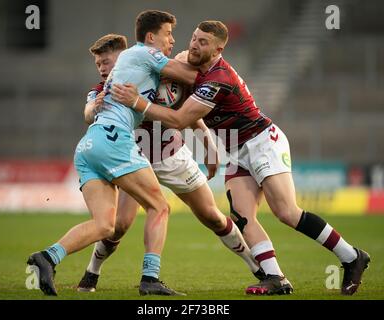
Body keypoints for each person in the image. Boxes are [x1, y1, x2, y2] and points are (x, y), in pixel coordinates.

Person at [112, 20, 371, 296]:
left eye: (203, 42)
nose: (194, 45)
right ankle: (275, 278)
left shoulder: (218, 80)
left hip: (261, 142)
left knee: (286, 212)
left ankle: (352, 256)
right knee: (243, 217)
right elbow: (175, 69)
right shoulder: (188, 60)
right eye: (194, 38)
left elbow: (178, 120)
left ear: (218, 49)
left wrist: (137, 102)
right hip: (236, 150)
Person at [26, 10, 202, 297]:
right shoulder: (145, 52)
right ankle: (150, 278)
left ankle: (47, 258)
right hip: (114, 140)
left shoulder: (127, 67)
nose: (171, 39)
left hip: (89, 146)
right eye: (168, 33)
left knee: (105, 225)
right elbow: (189, 75)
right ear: (150, 37)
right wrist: (206, 61)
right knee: (160, 207)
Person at [76, 33, 266, 293]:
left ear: (125, 56)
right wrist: (92, 109)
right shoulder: (105, 90)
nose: (102, 70)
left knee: (212, 216)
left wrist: (208, 146)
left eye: (106, 63)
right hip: (132, 157)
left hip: (171, 155)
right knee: (119, 225)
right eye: (98, 65)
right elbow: (88, 112)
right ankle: (92, 273)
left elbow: (189, 112)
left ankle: (258, 268)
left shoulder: (160, 74)